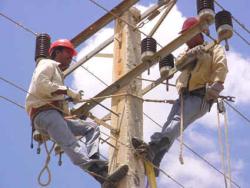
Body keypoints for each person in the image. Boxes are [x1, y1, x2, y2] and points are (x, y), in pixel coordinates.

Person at [132, 17, 228, 176]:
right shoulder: (186, 51)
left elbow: (221, 65)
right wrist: (191, 54)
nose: (187, 38)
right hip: (184, 96)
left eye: (190, 34)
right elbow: (179, 64)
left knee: (176, 122)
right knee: (169, 125)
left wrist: (218, 84)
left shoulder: (214, 49)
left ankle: (153, 147)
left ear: (199, 32)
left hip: (201, 96)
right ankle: (157, 158)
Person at [26, 39, 109, 185]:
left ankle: (93, 158)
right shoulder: (47, 64)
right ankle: (98, 174)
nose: (70, 58)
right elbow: (41, 84)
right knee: (71, 144)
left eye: (71, 56)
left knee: (91, 128)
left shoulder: (58, 74)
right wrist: (69, 92)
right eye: (68, 54)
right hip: (44, 113)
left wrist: (73, 111)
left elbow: (60, 106)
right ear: (56, 52)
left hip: (55, 114)